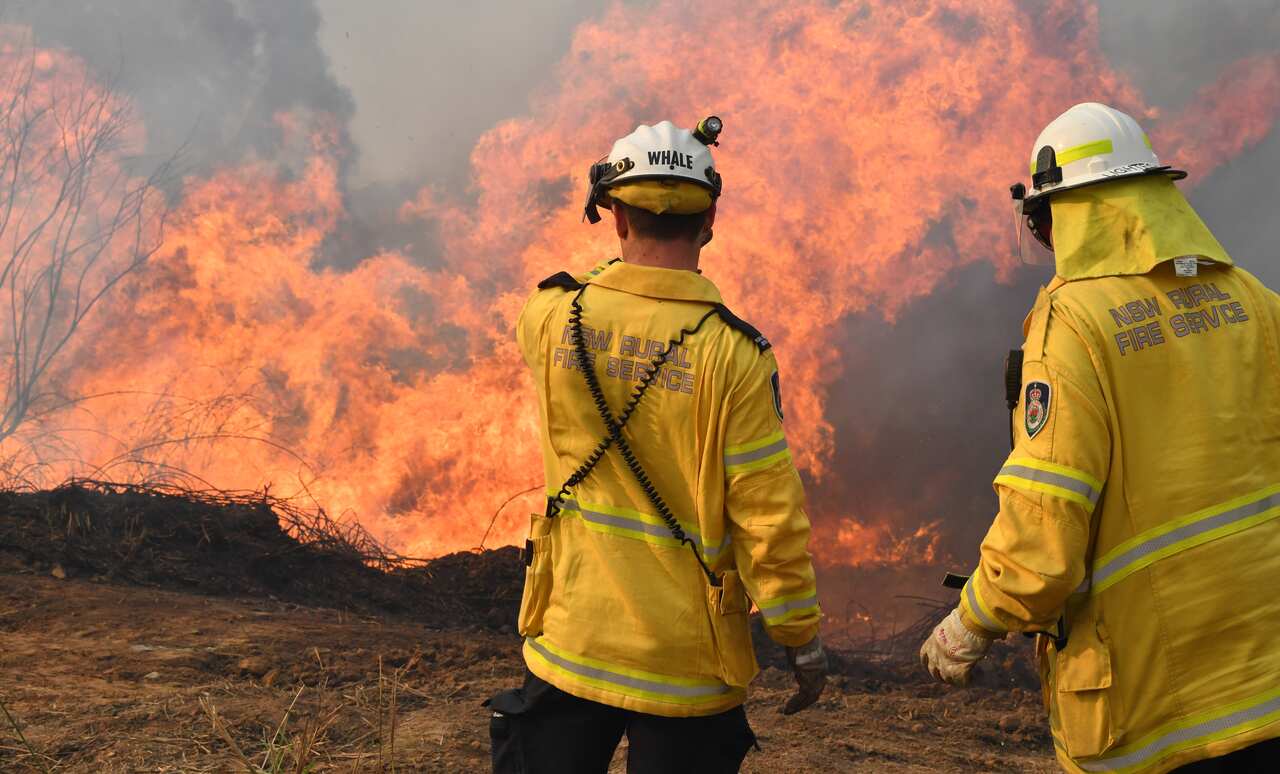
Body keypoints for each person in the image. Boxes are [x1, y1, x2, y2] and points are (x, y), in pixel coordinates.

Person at [920, 101, 1280, 773]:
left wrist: (973, 619)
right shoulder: (1254, 301)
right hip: (1267, 686)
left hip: (1157, 712)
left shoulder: (1073, 325)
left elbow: (1045, 535)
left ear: (1057, 216)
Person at [488, 117, 827, 774]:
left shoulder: (553, 314)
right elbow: (768, 515)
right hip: (686, 665)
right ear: (709, 222)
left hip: (573, 637)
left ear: (614, 217)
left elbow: (598, 289)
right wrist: (797, 633)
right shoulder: (734, 355)